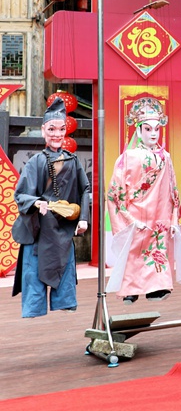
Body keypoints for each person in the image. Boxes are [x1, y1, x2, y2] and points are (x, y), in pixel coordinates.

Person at [12, 98, 91, 318]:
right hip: (39, 228)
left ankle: (65, 301)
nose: (57, 134)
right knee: (34, 270)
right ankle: (34, 307)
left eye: (61, 129)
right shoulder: (36, 161)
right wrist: (37, 202)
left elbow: (85, 189)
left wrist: (83, 218)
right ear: (43, 131)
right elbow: (21, 194)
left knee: (63, 267)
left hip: (63, 227)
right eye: (52, 129)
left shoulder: (72, 161)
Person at [106, 97, 181, 303]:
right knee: (134, 251)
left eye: (156, 129)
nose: (153, 134)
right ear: (139, 130)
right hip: (135, 214)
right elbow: (115, 193)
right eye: (148, 129)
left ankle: (157, 288)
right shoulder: (128, 157)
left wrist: (174, 218)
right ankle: (131, 290)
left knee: (159, 249)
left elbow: (172, 190)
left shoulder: (165, 157)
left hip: (160, 213)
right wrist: (127, 218)